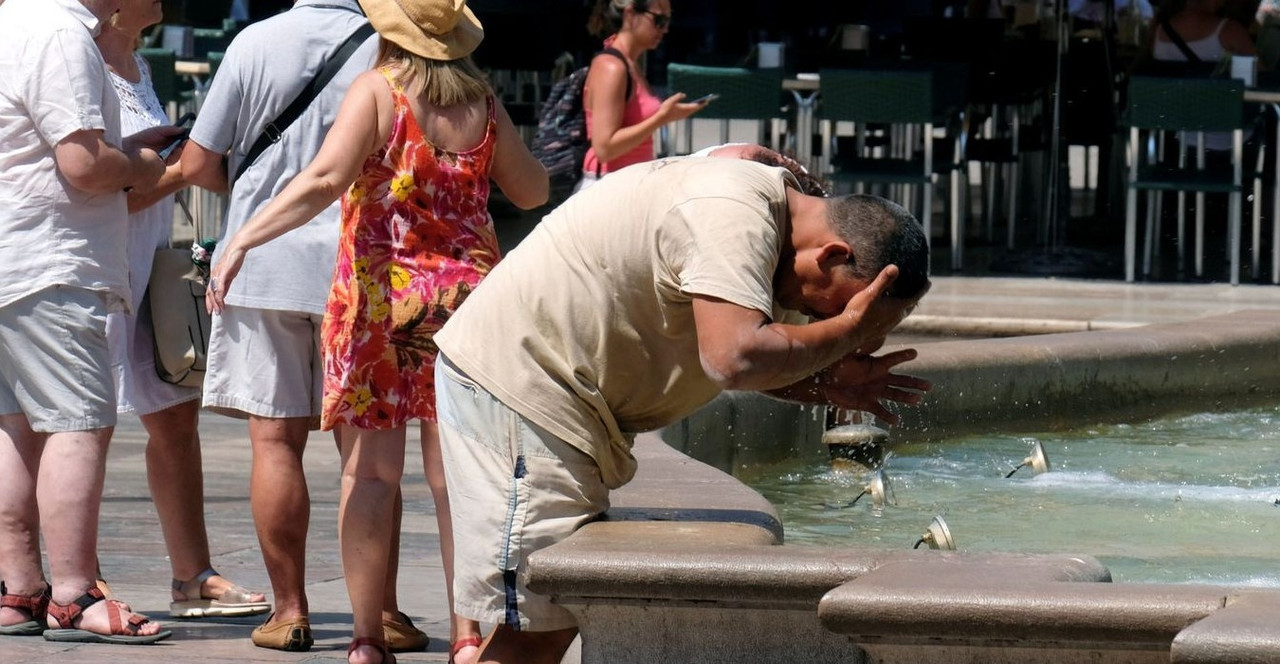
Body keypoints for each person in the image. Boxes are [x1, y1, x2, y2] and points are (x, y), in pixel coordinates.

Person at [431, 157, 933, 664]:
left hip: (556, 403)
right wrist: (844, 332)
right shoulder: (733, 215)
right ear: (832, 255)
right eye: (830, 310)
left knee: (540, 629)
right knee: (534, 635)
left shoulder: (774, 227)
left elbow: (751, 356)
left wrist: (827, 378)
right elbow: (733, 357)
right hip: (522, 385)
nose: (818, 323)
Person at [204, 1, 549, 662]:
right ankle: (468, 636)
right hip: (468, 312)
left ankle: (366, 640)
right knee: (458, 481)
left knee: (371, 477)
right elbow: (531, 191)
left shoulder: (378, 93)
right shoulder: (482, 104)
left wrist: (245, 235)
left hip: (379, 305)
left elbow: (327, 178)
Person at [181, 0, 427, 653]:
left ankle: (289, 610)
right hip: (361, 265)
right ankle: (386, 612)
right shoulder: (393, 47)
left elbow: (201, 160)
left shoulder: (255, 44)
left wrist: (256, 186)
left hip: (261, 262)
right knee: (367, 457)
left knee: (275, 442)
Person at [0, 0, 178, 645]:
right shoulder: (61, 32)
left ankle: (18, 589)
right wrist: (141, 167)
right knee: (78, 426)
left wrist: (120, 150)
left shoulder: (12, 19)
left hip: (11, 254)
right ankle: (75, 594)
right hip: (53, 260)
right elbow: (82, 166)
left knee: (15, 427)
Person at [94, 0, 273, 621]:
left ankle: (192, 574)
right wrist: (181, 169)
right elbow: (101, 183)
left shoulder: (138, 66)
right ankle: (73, 578)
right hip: (95, 267)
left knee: (174, 415)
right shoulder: (81, 65)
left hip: (145, 267)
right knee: (74, 425)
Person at [579, 0, 708, 190]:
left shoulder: (631, 65)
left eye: (667, 21)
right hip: (608, 186)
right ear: (630, 14)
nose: (664, 30)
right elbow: (604, 148)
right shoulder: (612, 66)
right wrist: (661, 118)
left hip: (628, 183)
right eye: (659, 20)